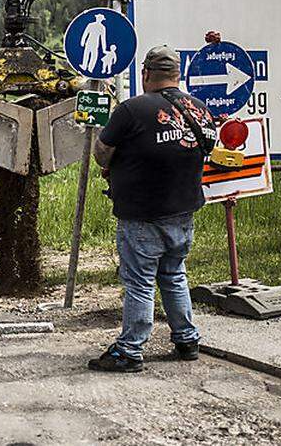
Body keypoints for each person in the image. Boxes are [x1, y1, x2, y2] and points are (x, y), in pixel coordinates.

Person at [89, 45, 217, 373]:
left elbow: (102, 154)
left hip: (143, 213)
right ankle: (187, 339)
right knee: (174, 274)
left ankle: (130, 350)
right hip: (183, 211)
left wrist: (119, 160)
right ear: (178, 74)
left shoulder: (132, 110)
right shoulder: (200, 109)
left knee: (140, 282)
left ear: (145, 73)